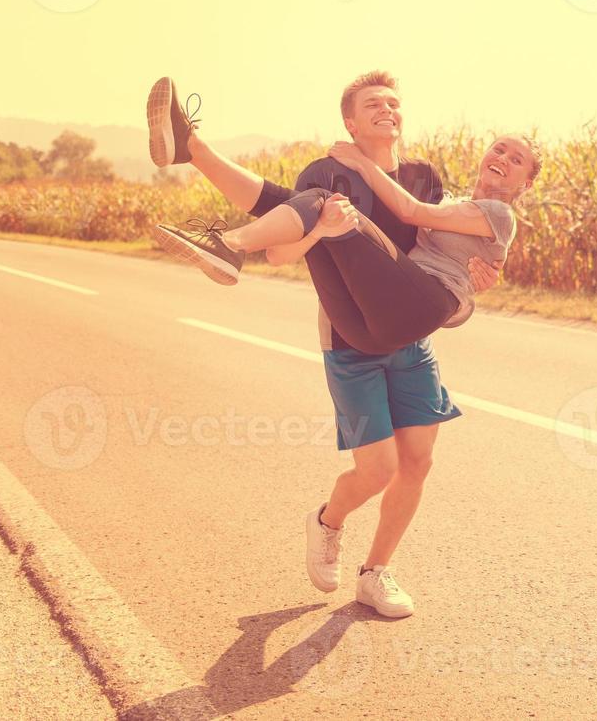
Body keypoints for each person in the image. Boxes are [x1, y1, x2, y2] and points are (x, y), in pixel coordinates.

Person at [144, 72, 510, 618]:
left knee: (416, 461)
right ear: (350, 122)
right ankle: (328, 522)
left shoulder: (423, 180)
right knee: (376, 469)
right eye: (371, 104)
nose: (386, 109)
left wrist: (480, 272)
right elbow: (283, 226)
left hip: (409, 336)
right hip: (351, 334)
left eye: (392, 102)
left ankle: (376, 573)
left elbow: (438, 236)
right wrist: (312, 222)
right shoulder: (328, 171)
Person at [153, 132, 537, 351]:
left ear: (526, 183)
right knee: (319, 215)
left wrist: (360, 162)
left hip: (417, 306)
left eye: (516, 159)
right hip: (369, 331)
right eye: (499, 148)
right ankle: (193, 151)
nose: (503, 157)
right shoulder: (455, 203)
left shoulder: (500, 214)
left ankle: (230, 244)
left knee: (327, 202)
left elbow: (410, 211)